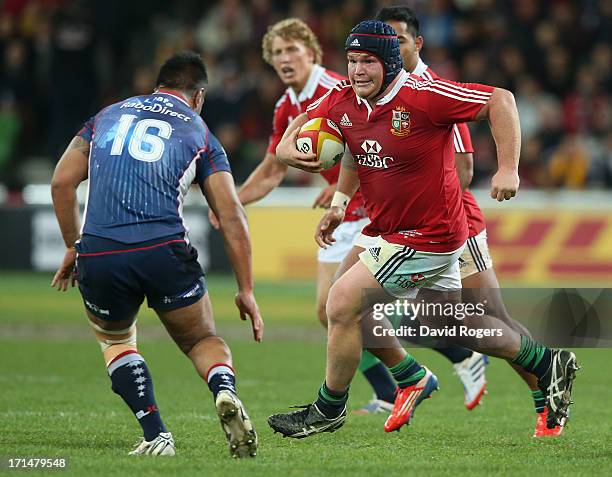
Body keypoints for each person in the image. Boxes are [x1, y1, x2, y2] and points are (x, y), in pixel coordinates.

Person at [268, 20, 578, 438]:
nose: (357, 70)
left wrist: (508, 168)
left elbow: (500, 100)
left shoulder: (424, 95)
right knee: (455, 325)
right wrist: (296, 156)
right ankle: (546, 363)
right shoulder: (344, 98)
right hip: (387, 229)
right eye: (352, 61)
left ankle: (329, 409)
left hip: (428, 235)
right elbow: (308, 125)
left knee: (342, 303)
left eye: (368, 62)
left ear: (392, 62)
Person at [50, 52, 262, 458]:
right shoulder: (199, 131)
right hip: (163, 250)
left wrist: (73, 246)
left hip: (101, 252)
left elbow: (61, 182)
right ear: (198, 96)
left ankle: (156, 434)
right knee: (201, 338)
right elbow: (231, 216)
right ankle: (223, 390)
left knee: (115, 340)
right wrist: (246, 289)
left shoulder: (107, 116)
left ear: (156, 84)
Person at [376, 5, 562, 437]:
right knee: (468, 321)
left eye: (399, 40)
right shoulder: (381, 91)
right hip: (418, 226)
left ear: (416, 44)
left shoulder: (428, 89)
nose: (390, 49)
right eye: (384, 41)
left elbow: (461, 170)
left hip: (448, 224)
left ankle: (546, 389)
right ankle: (545, 389)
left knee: (481, 320)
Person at [208, 18, 400, 413]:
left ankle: (413, 377)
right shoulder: (286, 106)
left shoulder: (338, 87)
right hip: (340, 214)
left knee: (345, 307)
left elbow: (378, 142)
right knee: (330, 311)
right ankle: (398, 386)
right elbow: (273, 169)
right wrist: (233, 202)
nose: (284, 58)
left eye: (292, 49)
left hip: (369, 210)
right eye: (277, 53)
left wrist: (344, 187)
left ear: (311, 52)